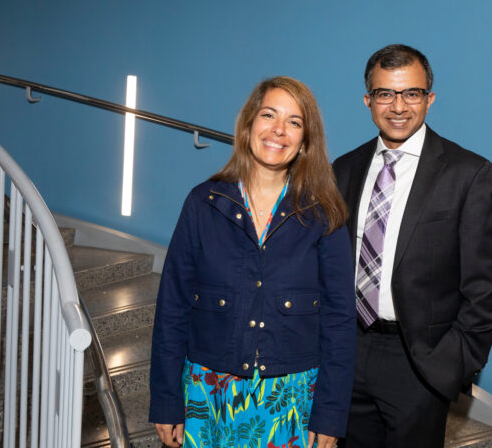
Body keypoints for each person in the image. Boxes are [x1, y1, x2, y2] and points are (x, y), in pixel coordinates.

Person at [149, 76, 356, 448]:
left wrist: (330, 413)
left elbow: (340, 321)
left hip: (290, 403)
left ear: (306, 141)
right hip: (208, 396)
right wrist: (166, 400)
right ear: (248, 125)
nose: (279, 130)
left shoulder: (324, 213)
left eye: (294, 122)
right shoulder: (202, 203)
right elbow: (172, 309)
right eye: (269, 115)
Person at [332, 44, 492, 447]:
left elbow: (486, 286)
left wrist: (452, 364)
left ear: (430, 98)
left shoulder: (468, 173)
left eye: (411, 93)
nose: (398, 106)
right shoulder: (344, 169)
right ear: (368, 100)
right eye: (385, 94)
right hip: (348, 349)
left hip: (418, 363)